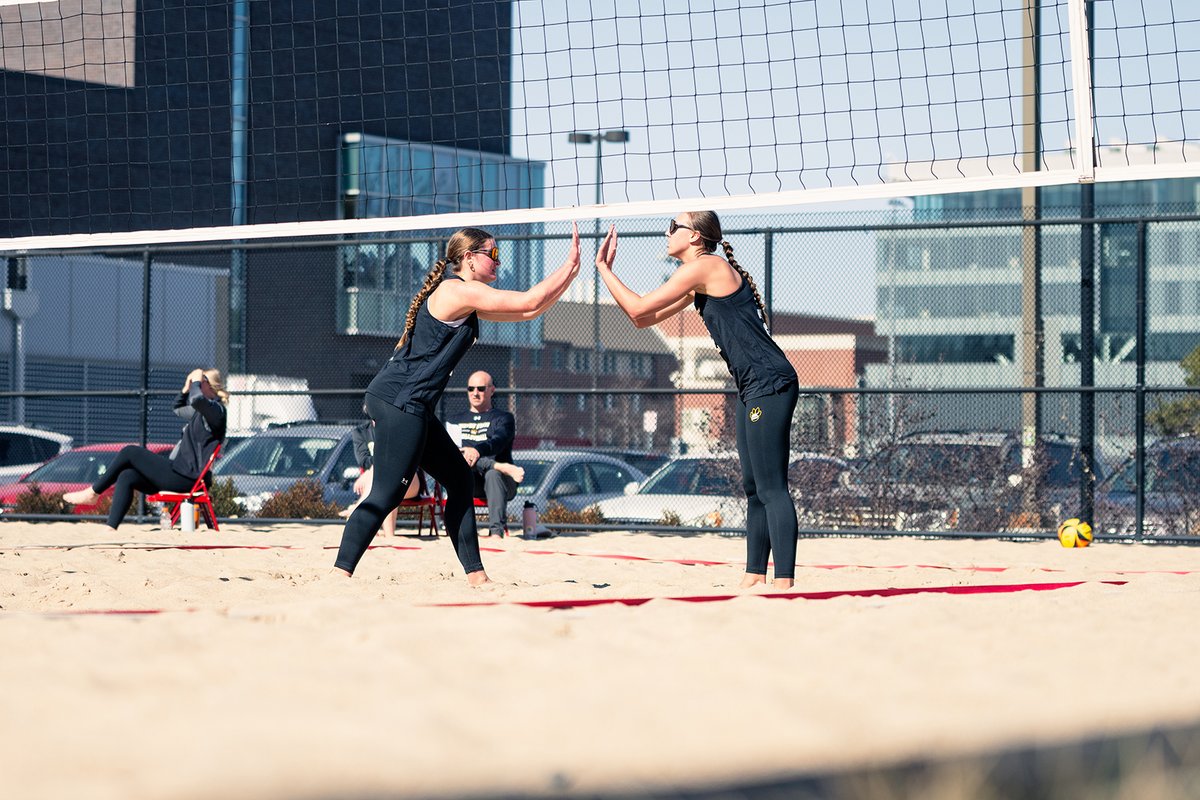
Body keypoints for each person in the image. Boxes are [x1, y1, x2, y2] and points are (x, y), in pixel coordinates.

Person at [332, 224, 581, 585]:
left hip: (411, 405)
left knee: (460, 481)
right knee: (388, 493)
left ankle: (477, 576)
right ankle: (339, 574)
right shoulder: (454, 291)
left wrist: (570, 274)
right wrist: (569, 262)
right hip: (400, 401)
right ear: (468, 258)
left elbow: (530, 313)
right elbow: (528, 300)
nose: (498, 262)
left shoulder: (468, 299)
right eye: (492, 254)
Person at [595, 212, 800, 589]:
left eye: (674, 226)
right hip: (751, 386)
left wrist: (604, 270)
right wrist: (606, 272)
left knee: (772, 489)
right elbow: (643, 321)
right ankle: (754, 577)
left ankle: (784, 582)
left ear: (694, 237)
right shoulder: (698, 280)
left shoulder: (705, 266)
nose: (667, 231)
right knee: (754, 488)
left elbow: (639, 307)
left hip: (770, 381)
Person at [63, 368, 228, 530]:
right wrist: (186, 388)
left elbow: (197, 400)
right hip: (180, 472)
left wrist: (197, 380)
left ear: (210, 385)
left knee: (130, 451)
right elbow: (178, 408)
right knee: (127, 475)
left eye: (202, 380)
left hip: (189, 478)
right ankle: (110, 528)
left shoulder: (216, 411)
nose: (197, 382)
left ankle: (93, 492)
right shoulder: (204, 412)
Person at [444, 370, 526, 537]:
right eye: (471, 388)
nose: (475, 393)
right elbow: (452, 452)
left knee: (493, 474)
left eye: (481, 388)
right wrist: (469, 454)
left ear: (492, 390)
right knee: (461, 458)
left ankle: (496, 533)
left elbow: (498, 442)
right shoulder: (454, 420)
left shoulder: (504, 418)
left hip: (501, 483)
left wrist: (476, 451)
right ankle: (500, 466)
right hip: (467, 481)